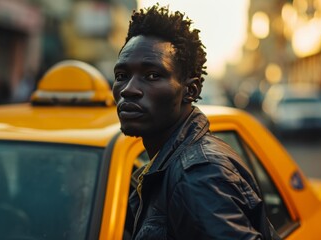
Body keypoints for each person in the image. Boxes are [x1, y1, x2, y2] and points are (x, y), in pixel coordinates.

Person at [112, 5, 280, 240]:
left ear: (190, 90)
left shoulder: (197, 177)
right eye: (121, 76)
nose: (128, 90)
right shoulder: (167, 166)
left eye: (152, 75)